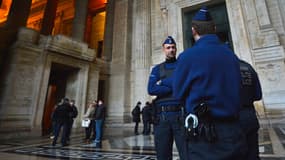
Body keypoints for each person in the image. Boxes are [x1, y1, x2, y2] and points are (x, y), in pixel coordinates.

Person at [172, 6, 247, 160]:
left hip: (204, 136)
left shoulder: (187, 57)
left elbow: (178, 93)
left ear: (193, 30)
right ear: (214, 28)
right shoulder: (231, 56)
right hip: (233, 131)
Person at [147, 36, 187, 160]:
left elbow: (186, 84)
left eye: (173, 47)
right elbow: (151, 89)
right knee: (163, 155)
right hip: (162, 118)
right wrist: (175, 85)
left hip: (180, 115)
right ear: (164, 50)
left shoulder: (183, 66)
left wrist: (163, 82)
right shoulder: (157, 69)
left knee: (186, 154)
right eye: (168, 48)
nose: (171, 50)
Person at [239, 59, 262, 160]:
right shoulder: (248, 67)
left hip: (233, 119)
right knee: (252, 154)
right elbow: (258, 95)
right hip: (250, 115)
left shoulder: (224, 67)